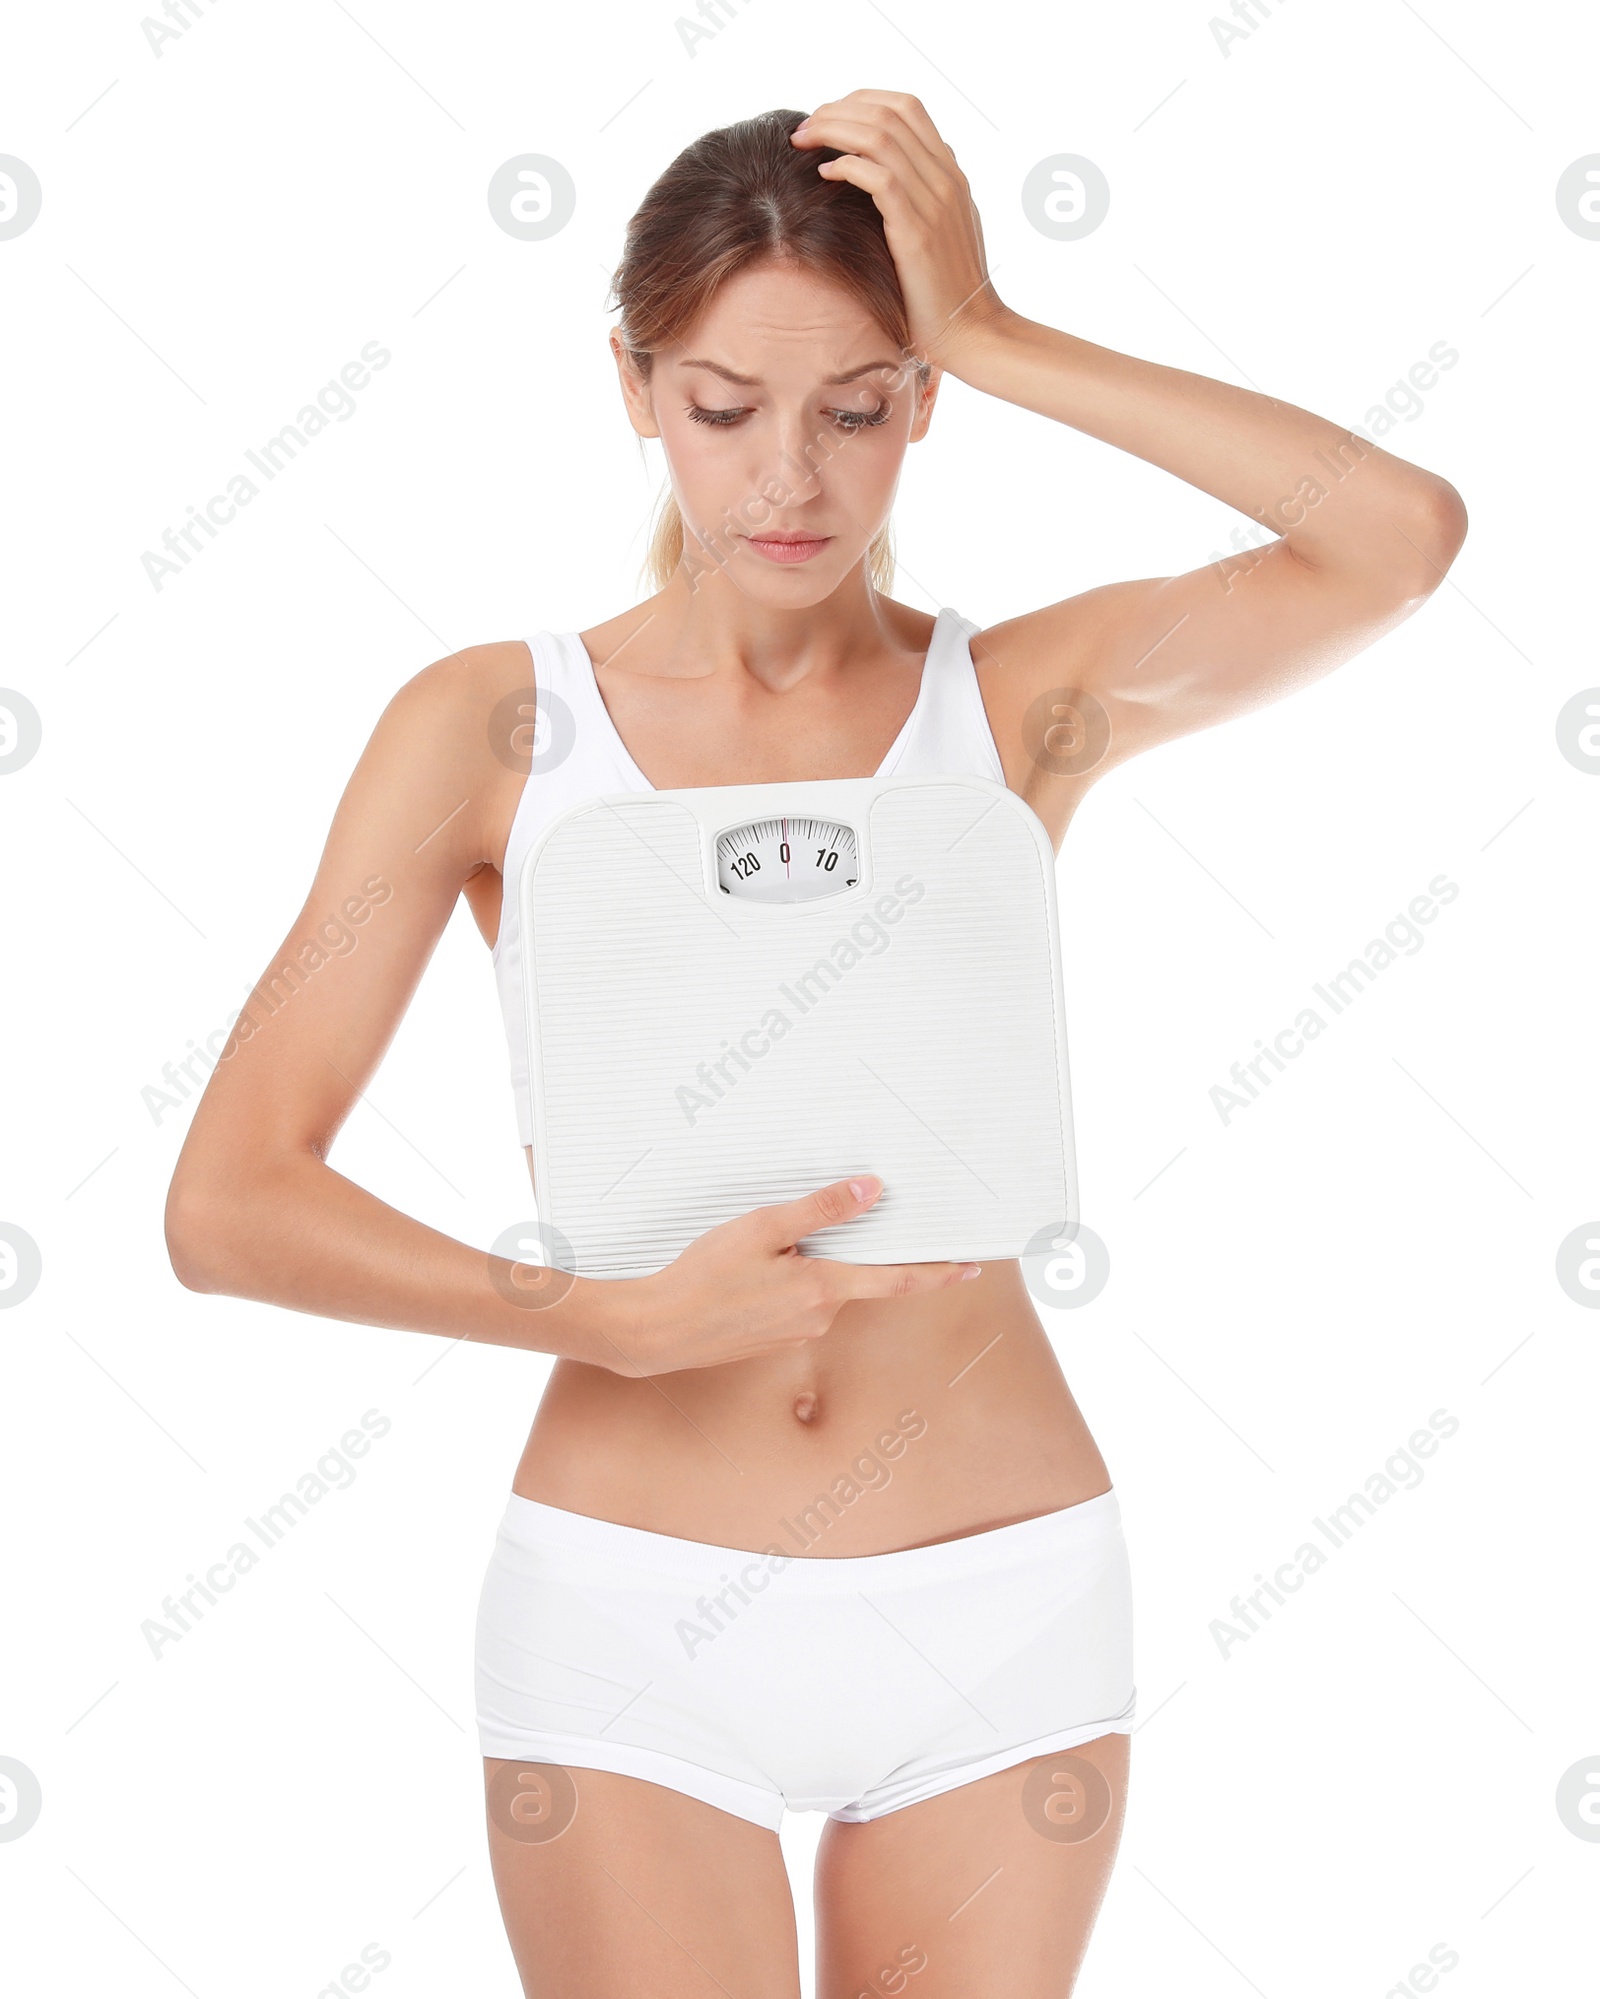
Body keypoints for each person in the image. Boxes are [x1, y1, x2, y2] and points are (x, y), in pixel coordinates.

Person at [165, 90, 1468, 1999]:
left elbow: (1398, 540)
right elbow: (227, 1204)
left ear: (922, 400)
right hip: (631, 1621)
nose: (791, 479)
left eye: (858, 406)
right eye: (723, 407)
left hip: (1001, 1605)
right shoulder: (492, 728)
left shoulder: (1025, 703)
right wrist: (592, 1319)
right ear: (632, 386)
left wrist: (1003, 328)